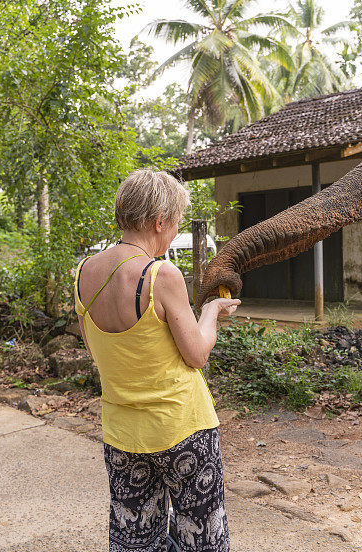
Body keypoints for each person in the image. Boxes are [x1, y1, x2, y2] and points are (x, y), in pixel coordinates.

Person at [74, 169, 240, 552]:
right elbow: (196, 354)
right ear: (159, 221)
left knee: (135, 541)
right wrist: (212, 311)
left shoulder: (84, 271)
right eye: (175, 223)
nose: (172, 232)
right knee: (202, 541)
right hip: (182, 430)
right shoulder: (161, 274)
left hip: (123, 434)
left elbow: (96, 350)